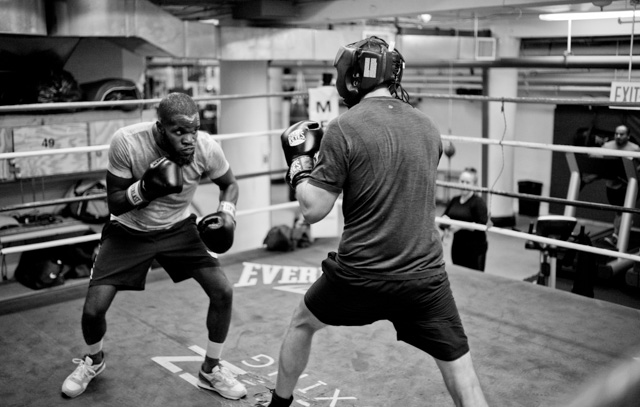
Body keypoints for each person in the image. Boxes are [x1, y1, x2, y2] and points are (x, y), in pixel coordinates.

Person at [261, 36, 488, 407]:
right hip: (424, 279)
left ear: (353, 77)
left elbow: (313, 209)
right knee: (464, 377)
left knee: (303, 322)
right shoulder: (429, 127)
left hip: (360, 275)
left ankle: (278, 406)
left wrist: (300, 166)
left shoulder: (344, 127)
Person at [61, 92, 247, 400]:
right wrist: (145, 189)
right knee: (93, 309)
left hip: (178, 228)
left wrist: (228, 215)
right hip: (128, 230)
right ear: (160, 129)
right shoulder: (128, 142)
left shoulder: (205, 147)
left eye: (194, 130)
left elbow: (229, 184)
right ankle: (93, 360)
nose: (189, 139)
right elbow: (115, 203)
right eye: (179, 132)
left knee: (223, 291)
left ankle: (210, 369)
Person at [441, 167, 489, 271]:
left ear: (474, 185)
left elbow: (482, 225)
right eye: (462, 181)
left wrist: (460, 226)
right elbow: (443, 219)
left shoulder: (478, 202)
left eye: (468, 182)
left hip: (475, 248)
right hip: (457, 246)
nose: (464, 185)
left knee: (474, 279)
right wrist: (446, 224)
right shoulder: (455, 200)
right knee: (460, 276)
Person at [601, 124, 640, 247]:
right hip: (612, 187)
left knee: (624, 212)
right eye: (616, 133)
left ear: (628, 136)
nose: (618, 136)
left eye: (621, 134)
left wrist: (634, 172)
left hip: (628, 186)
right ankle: (619, 235)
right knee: (619, 213)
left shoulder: (634, 149)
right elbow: (595, 159)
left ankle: (617, 237)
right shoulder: (607, 146)